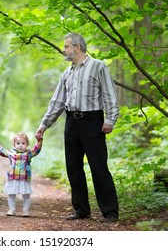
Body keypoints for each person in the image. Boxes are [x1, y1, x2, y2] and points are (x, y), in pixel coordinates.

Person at [35, 32, 119, 222]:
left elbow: (109, 94)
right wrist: (43, 125)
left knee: (98, 167)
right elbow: (57, 102)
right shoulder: (67, 73)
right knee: (73, 168)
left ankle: (110, 212)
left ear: (77, 47)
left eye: (66, 46)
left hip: (93, 122)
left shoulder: (98, 66)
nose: (63, 50)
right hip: (71, 122)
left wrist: (110, 119)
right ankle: (81, 210)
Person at [0, 132, 43, 217]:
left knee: (26, 195)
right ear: (14, 144)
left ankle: (26, 211)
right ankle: (12, 210)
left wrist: (39, 141)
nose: (20, 145)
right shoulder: (11, 153)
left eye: (23, 143)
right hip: (13, 178)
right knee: (11, 194)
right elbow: (1, 151)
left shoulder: (28, 153)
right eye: (18, 143)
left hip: (24, 178)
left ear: (27, 144)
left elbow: (37, 150)